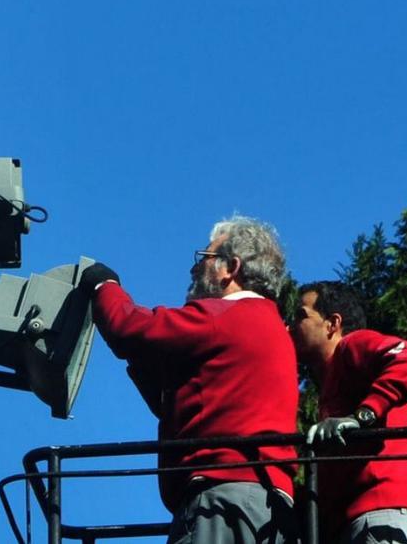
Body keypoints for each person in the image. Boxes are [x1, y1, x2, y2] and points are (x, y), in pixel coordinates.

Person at [80, 215, 300, 544]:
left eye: (205, 258)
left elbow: (130, 328)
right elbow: (195, 399)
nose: (194, 269)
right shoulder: (272, 329)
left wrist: (103, 286)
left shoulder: (226, 315)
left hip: (221, 499)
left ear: (231, 268)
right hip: (270, 508)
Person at [289, 281, 407, 544]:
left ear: (332, 324)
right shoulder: (330, 383)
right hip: (360, 526)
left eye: (301, 315)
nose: (290, 327)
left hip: (380, 520)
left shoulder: (352, 346)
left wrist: (363, 416)